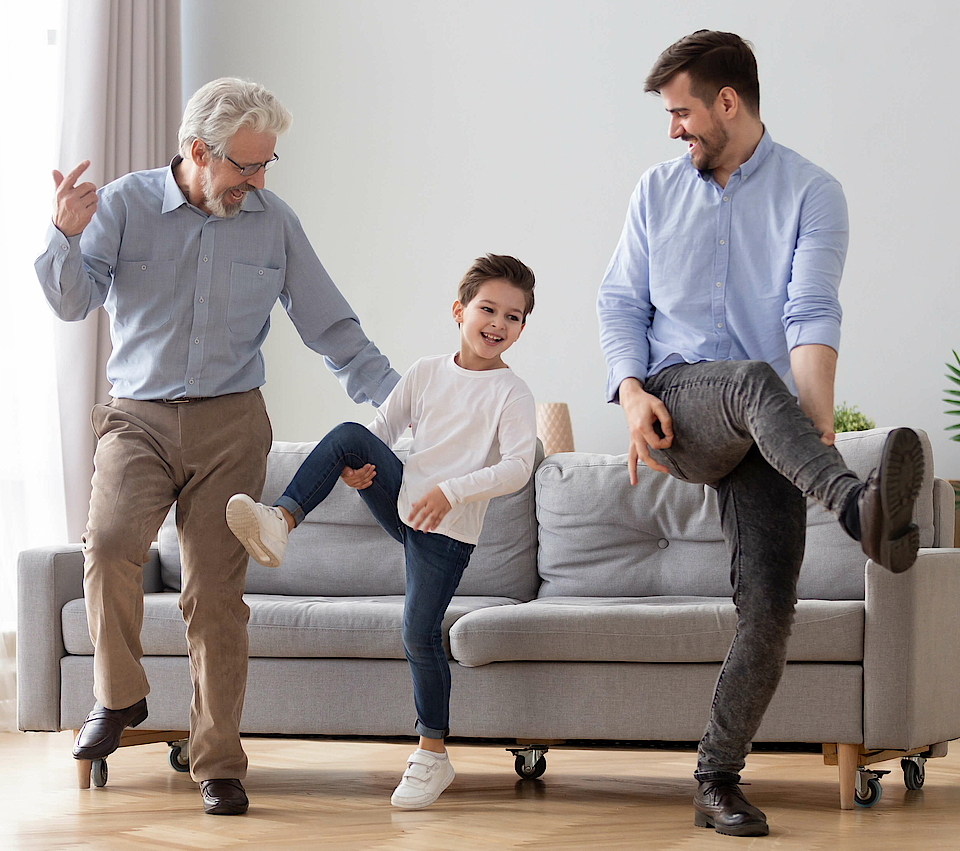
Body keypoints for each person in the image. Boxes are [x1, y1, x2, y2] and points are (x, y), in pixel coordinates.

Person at [34, 78, 400, 816]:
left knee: (215, 595)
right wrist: (65, 234)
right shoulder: (127, 206)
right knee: (106, 544)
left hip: (231, 422)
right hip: (136, 416)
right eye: (245, 166)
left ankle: (220, 762)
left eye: (267, 165)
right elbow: (72, 301)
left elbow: (332, 327)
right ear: (199, 152)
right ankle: (119, 696)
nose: (259, 181)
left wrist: (404, 409)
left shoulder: (273, 222)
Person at [596, 31, 924, 837]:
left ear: (728, 103)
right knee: (748, 377)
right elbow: (619, 302)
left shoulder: (814, 191)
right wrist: (631, 394)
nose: (674, 130)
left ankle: (717, 778)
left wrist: (814, 419)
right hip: (678, 405)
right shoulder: (655, 191)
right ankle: (856, 506)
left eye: (682, 113)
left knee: (770, 611)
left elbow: (811, 309)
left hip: (766, 423)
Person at [226, 253, 537, 809]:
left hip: (447, 529)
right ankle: (281, 520)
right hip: (403, 501)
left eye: (513, 317)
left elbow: (518, 465)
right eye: (488, 309)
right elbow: (379, 430)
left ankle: (432, 756)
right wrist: (355, 468)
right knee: (348, 434)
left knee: (418, 634)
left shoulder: (511, 393)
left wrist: (452, 491)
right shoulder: (425, 372)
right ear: (459, 311)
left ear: (521, 327)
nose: (498, 324)